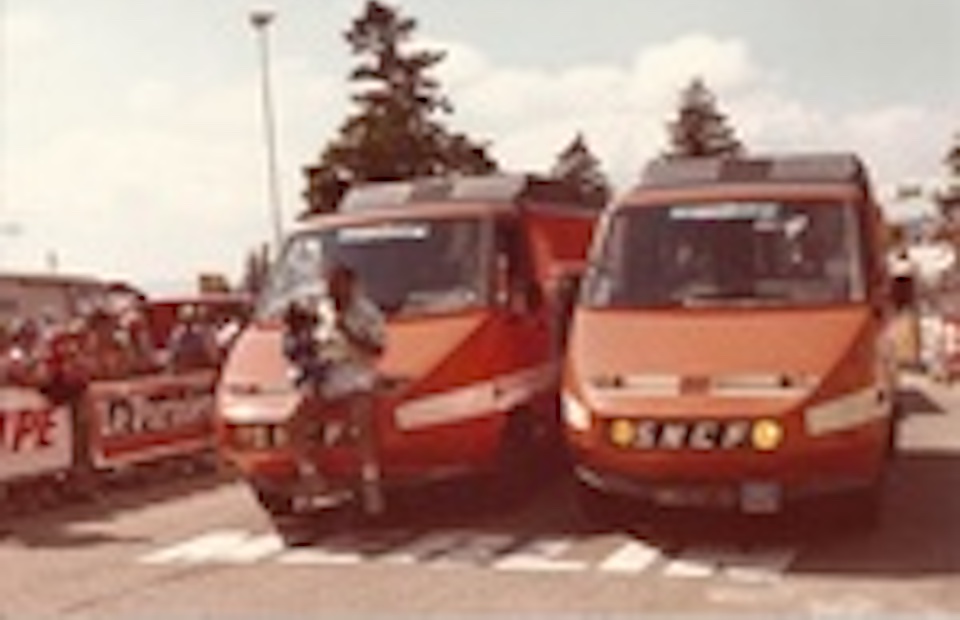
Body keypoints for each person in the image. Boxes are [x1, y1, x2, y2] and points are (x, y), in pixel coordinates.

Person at [296, 263, 386, 516]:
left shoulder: (367, 312)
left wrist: (347, 331)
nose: (332, 289)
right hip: (325, 375)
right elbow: (307, 340)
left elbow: (377, 350)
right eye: (328, 283)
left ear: (351, 285)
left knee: (361, 422)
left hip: (356, 374)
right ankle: (310, 478)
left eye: (338, 284)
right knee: (295, 422)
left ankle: (371, 480)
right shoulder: (319, 309)